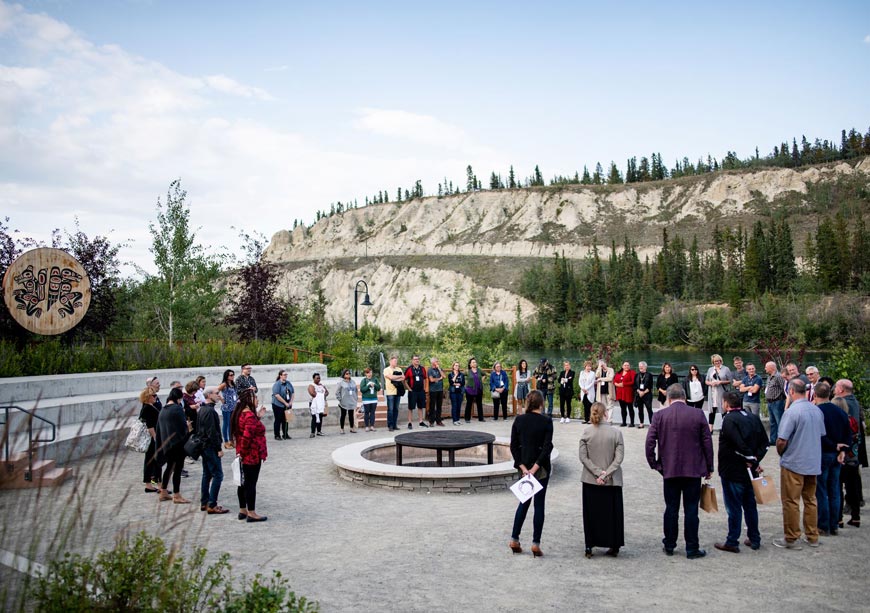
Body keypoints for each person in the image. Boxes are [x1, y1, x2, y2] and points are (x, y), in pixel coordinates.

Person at [645, 383, 713, 559]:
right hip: (692, 469)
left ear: (668, 398)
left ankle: (669, 544)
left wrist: (656, 465)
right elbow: (707, 442)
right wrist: (709, 467)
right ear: (685, 397)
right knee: (691, 510)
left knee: (671, 508)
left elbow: (649, 443)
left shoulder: (660, 415)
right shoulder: (697, 414)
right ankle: (692, 548)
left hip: (670, 469)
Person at [713, 391, 768, 553]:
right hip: (750, 471)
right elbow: (765, 443)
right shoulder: (752, 417)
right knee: (750, 505)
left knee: (734, 507)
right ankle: (754, 538)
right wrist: (756, 460)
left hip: (733, 469)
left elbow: (736, 443)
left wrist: (750, 458)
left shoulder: (728, 419)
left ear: (726, 404)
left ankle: (732, 541)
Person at [773, 378, 825, 549]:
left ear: (792, 392)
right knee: (811, 499)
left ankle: (791, 537)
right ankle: (812, 535)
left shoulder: (792, 412)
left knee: (791, 501)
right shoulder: (817, 411)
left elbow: (782, 439)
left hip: (794, 461)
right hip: (813, 461)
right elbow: (821, 434)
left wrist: (782, 453)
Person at [508, 390, 554, 557]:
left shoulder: (519, 420)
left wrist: (523, 468)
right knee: (539, 505)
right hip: (540, 468)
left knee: (523, 503)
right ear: (541, 404)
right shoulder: (546, 421)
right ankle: (535, 543)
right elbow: (548, 446)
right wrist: (535, 468)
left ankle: (514, 538)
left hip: (524, 468)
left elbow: (513, 446)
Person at [579, 401, 625, 558]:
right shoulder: (616, 433)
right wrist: (606, 474)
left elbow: (583, 458)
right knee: (612, 513)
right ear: (606, 413)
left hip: (591, 480)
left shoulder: (586, 433)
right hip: (611, 480)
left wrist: (598, 473)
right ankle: (614, 544)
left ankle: (589, 545)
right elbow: (619, 458)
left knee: (591, 514)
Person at [814, 382, 851, 535]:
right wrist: (842, 449)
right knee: (834, 489)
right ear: (829, 394)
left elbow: (819, 435)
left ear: (815, 395)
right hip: (837, 455)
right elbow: (848, 433)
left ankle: (823, 525)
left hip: (824, 453)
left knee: (821, 490)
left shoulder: (817, 412)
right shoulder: (840, 412)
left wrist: (835, 446)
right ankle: (834, 523)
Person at [834, 379, 866, 527]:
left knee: (838, 487)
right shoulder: (856, 403)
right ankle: (856, 516)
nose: (834, 389)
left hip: (843, 454)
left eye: (836, 387)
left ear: (841, 390)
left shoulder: (842, 407)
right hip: (854, 452)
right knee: (852, 486)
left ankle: (838, 518)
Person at [232, 388, 268, 522]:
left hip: (243, 453)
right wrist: (243, 452)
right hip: (251, 454)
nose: (257, 400)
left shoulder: (240, 413)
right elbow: (248, 436)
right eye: (255, 397)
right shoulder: (249, 416)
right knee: (250, 484)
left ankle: (243, 509)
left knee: (242, 483)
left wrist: (258, 417)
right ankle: (252, 512)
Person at [199, 386, 229, 514]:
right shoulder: (210, 411)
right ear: (209, 395)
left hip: (204, 446)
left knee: (207, 474)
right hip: (210, 447)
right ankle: (212, 504)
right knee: (218, 475)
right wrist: (218, 448)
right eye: (217, 393)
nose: (219, 395)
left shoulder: (202, 409)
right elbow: (212, 432)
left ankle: (204, 502)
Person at [157, 387, 189, 504]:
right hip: (177, 444)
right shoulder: (177, 409)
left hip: (166, 444)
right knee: (177, 469)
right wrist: (188, 428)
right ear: (178, 398)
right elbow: (183, 427)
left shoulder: (163, 410)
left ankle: (163, 491)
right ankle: (176, 495)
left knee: (169, 468)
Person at [138, 387, 161, 492]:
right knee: (151, 460)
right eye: (153, 395)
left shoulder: (150, 406)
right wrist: (155, 437)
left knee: (152, 460)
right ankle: (150, 484)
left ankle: (152, 482)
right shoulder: (147, 408)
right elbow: (150, 425)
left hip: (153, 437)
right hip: (152, 438)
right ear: (148, 397)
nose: (155, 397)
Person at [705, 354, 732, 432]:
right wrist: (710, 383)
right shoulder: (710, 369)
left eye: (718, 361)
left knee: (723, 410)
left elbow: (730, 380)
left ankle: (725, 428)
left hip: (721, 392)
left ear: (721, 361)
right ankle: (710, 429)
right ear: (713, 362)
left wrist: (721, 382)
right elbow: (706, 380)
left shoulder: (726, 369)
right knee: (711, 411)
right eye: (715, 361)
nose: (717, 362)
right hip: (712, 393)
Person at [764, 361, 787, 445]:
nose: (765, 369)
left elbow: (784, 389)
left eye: (766, 367)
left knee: (779, 421)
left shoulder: (778, 376)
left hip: (777, 402)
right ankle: (773, 440)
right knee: (772, 422)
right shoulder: (769, 377)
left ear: (772, 368)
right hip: (770, 402)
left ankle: (782, 440)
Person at [404, 355, 429, 429]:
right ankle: (409, 423)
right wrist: (409, 389)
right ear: (412, 360)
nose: (417, 360)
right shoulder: (409, 369)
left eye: (418, 359)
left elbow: (424, 379)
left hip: (421, 391)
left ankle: (421, 422)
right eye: (415, 359)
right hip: (413, 391)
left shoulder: (422, 369)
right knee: (410, 407)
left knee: (420, 407)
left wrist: (424, 388)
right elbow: (404, 380)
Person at [271, 370, 294, 441]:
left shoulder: (288, 383)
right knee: (278, 420)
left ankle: (285, 434)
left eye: (286, 374)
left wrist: (290, 402)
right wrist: (285, 403)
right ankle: (277, 435)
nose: (285, 376)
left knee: (286, 420)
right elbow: (277, 395)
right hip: (278, 405)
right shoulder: (277, 384)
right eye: (284, 375)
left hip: (287, 405)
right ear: (280, 375)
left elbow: (292, 393)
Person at [383, 355, 405, 432]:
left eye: (396, 361)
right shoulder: (386, 370)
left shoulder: (399, 369)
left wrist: (394, 377)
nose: (396, 362)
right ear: (390, 361)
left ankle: (395, 425)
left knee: (396, 409)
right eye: (394, 361)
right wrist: (397, 377)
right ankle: (390, 425)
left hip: (398, 391)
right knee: (390, 409)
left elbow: (403, 377)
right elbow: (390, 377)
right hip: (390, 392)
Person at [218, 369, 237, 449]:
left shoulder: (233, 384)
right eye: (230, 375)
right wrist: (222, 399)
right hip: (226, 407)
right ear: (227, 376)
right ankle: (226, 441)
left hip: (233, 406)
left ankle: (231, 440)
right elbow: (216, 391)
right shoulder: (224, 384)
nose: (232, 376)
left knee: (232, 424)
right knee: (226, 424)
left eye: (233, 375)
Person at [335, 368, 359, 434]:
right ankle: (342, 429)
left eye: (349, 373)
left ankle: (352, 428)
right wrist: (340, 399)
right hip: (344, 402)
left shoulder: (353, 382)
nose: (348, 375)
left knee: (351, 415)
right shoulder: (341, 382)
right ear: (344, 374)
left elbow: (356, 390)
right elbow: (337, 392)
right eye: (347, 373)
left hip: (352, 401)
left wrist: (356, 398)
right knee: (343, 415)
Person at [613, 361, 636, 428]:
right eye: (625, 365)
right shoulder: (618, 373)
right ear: (622, 366)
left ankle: (632, 423)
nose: (626, 366)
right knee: (623, 408)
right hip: (620, 393)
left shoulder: (632, 372)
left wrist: (624, 384)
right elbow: (614, 380)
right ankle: (624, 422)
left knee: (630, 408)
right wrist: (616, 384)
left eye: (628, 365)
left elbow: (633, 381)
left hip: (628, 393)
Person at [360, 367, 381, 432]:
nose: (370, 374)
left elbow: (378, 388)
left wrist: (374, 385)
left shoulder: (375, 379)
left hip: (374, 399)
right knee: (366, 413)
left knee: (372, 413)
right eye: (368, 373)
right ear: (365, 374)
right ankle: (366, 426)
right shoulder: (364, 380)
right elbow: (362, 390)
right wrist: (368, 386)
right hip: (366, 399)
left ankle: (372, 426)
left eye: (371, 372)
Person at [308, 373, 328, 438]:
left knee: (320, 417)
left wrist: (323, 395)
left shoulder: (322, 385)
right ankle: (312, 432)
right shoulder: (311, 385)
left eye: (319, 378)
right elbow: (313, 394)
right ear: (313, 378)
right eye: (317, 378)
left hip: (321, 403)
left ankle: (319, 431)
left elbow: (327, 392)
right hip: (314, 403)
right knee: (314, 417)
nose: (319, 379)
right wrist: (322, 394)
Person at [635, 361, 654, 429]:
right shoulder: (637, 375)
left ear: (645, 367)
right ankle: (641, 423)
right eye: (639, 366)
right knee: (640, 410)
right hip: (639, 395)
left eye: (642, 366)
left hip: (647, 395)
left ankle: (651, 424)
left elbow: (650, 386)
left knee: (649, 409)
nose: (640, 367)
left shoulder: (649, 375)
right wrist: (639, 392)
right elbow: (635, 386)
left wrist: (643, 392)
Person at [465, 357, 485, 422]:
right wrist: (466, 383)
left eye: (475, 362)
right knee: (469, 404)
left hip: (479, 389)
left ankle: (481, 418)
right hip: (470, 390)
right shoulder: (467, 371)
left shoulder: (479, 370)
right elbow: (461, 375)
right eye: (473, 362)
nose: (474, 363)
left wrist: (482, 380)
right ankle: (467, 418)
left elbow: (485, 374)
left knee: (479, 404)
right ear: (470, 364)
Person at [428, 358, 446, 426]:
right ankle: (431, 421)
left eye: (438, 361)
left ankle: (439, 421)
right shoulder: (430, 370)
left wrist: (439, 369)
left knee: (439, 406)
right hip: (433, 390)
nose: (437, 362)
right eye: (436, 361)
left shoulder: (440, 369)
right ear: (432, 362)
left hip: (440, 390)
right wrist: (439, 378)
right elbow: (431, 380)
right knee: (432, 406)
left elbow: (444, 376)